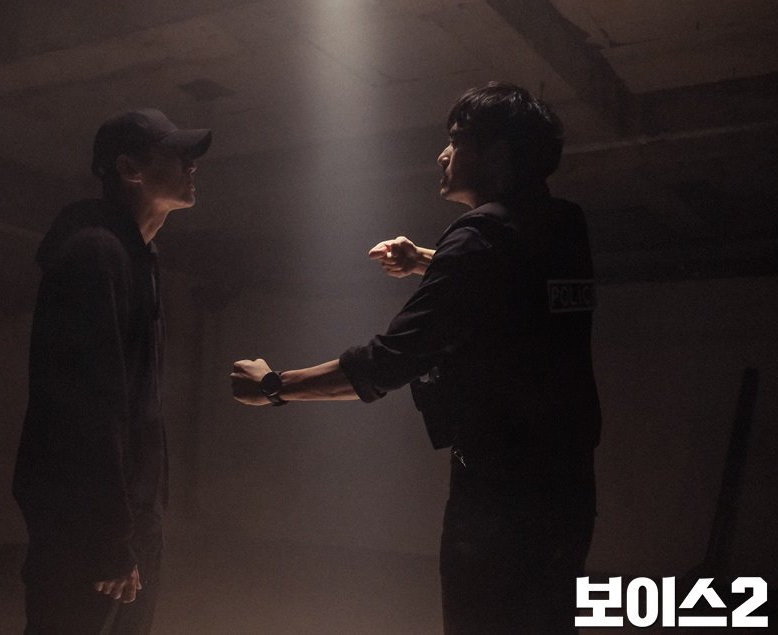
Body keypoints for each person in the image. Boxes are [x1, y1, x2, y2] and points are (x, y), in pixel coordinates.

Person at [231, 82, 601, 634]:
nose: (442, 155)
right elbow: (516, 285)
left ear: (497, 154)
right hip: (568, 488)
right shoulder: (566, 224)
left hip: (499, 498)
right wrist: (427, 260)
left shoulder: (477, 239)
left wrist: (273, 386)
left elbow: (388, 361)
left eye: (457, 140)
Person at [13, 108, 211, 634]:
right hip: (88, 522)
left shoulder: (138, 255)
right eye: (176, 154)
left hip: (126, 514)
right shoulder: (94, 255)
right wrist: (108, 538)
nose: (192, 165)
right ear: (129, 169)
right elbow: (85, 408)